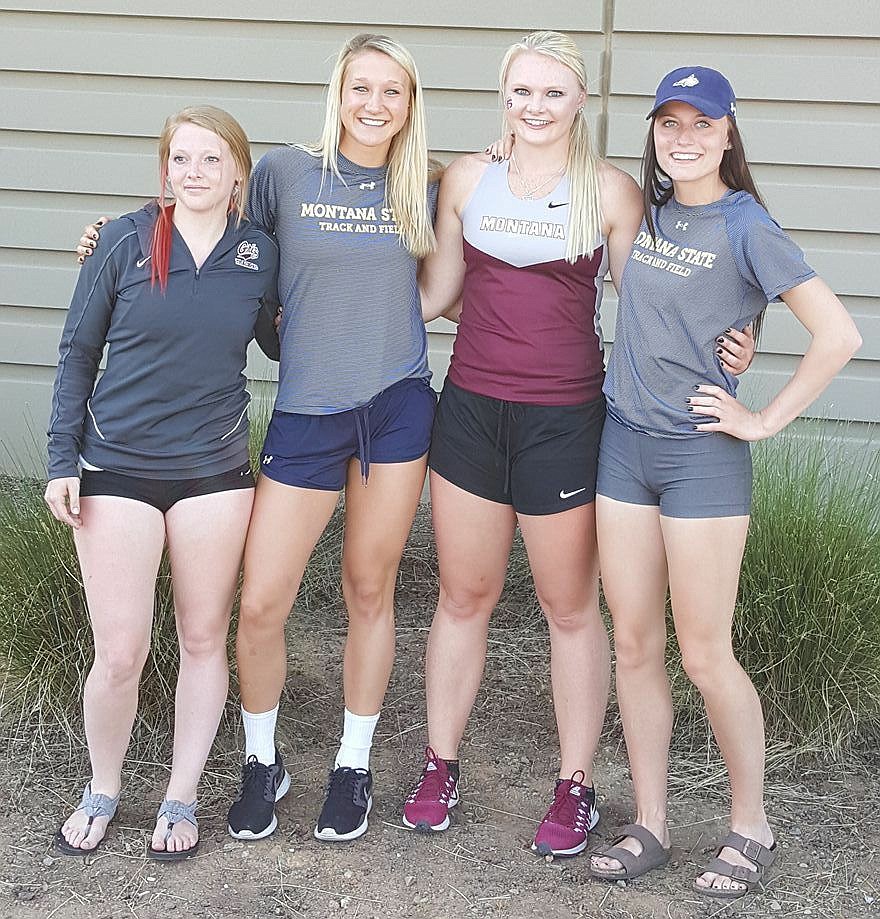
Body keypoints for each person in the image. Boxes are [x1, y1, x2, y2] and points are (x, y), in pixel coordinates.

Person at [78, 33, 440, 843]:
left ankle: (353, 764)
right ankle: (260, 760)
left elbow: (470, 253)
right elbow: (217, 235)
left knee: (369, 589)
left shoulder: (431, 182)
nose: (374, 104)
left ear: (411, 103)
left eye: (393, 91)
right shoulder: (282, 172)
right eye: (361, 87)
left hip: (396, 408)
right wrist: (114, 238)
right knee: (260, 601)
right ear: (338, 92)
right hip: (307, 409)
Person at [400, 32, 752, 858]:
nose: (534, 106)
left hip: (566, 418)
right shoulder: (467, 177)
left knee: (568, 607)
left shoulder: (614, 193)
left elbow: (661, 296)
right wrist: (315, 302)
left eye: (552, 93)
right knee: (462, 595)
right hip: (473, 410)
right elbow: (439, 293)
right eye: (521, 91)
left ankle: (576, 784)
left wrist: (736, 339)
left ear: (581, 102)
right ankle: (439, 763)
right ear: (503, 97)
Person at [588, 67, 861, 897]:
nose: (683, 138)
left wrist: (762, 417)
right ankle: (653, 823)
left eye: (700, 124)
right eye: (669, 124)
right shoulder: (656, 209)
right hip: (622, 446)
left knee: (705, 652)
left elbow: (839, 333)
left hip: (700, 454)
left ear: (728, 133)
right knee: (633, 644)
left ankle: (751, 824)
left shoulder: (749, 225)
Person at [46, 106, 280, 860]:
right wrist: (60, 459)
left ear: (237, 170)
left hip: (213, 471)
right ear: (165, 168)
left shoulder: (260, 253)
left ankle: (181, 795)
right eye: (181, 159)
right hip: (117, 466)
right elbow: (77, 352)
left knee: (204, 635)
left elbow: (284, 340)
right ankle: (104, 784)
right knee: (120, 650)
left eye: (211, 160)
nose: (195, 172)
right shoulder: (120, 239)